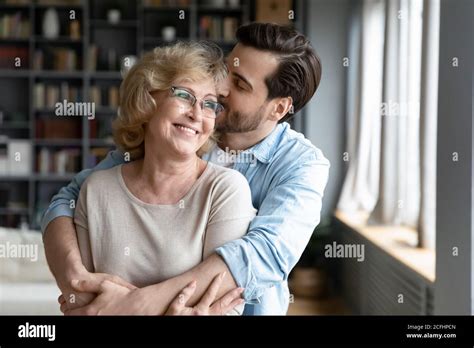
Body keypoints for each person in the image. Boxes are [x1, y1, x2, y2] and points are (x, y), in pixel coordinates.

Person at [42, 22, 330, 315]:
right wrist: (76, 279)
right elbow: (70, 199)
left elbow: (261, 256)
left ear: (279, 109)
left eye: (241, 84)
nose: (222, 87)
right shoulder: (179, 133)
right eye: (228, 70)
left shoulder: (302, 165)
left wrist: (132, 306)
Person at [69, 41, 255, 315]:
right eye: (184, 95)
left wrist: (125, 308)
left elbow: (226, 308)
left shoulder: (224, 190)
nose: (196, 114)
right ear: (147, 98)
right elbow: (85, 304)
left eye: (209, 105)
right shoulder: (97, 189)